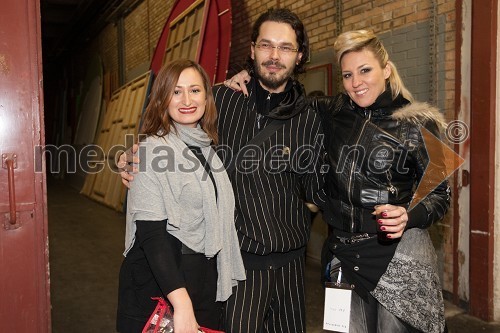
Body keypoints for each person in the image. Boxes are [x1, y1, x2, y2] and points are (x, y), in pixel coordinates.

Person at [228, 30, 450, 333]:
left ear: (385, 69)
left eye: (365, 70)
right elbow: (284, 97)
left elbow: (441, 193)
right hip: (343, 254)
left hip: (399, 253)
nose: (356, 82)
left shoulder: (420, 121)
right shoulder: (331, 111)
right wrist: (249, 74)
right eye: (347, 75)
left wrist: (409, 215)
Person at [119, 8, 327, 333]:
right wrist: (132, 157)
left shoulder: (313, 116)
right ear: (252, 49)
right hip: (238, 265)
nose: (274, 56)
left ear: (300, 56)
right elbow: (171, 125)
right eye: (266, 45)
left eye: (285, 47)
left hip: (291, 264)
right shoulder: (223, 100)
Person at [116, 59, 245, 333]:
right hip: (162, 287)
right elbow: (153, 236)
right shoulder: (150, 152)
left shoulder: (207, 149)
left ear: (207, 98)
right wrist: (182, 304)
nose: (187, 99)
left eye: (195, 90)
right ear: (163, 98)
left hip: (203, 280)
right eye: (176, 91)